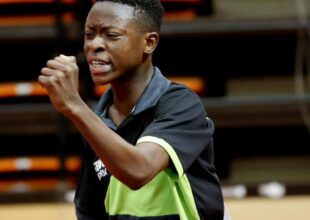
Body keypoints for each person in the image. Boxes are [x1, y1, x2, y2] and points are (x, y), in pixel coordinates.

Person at [38, 0, 227, 219]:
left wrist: (75, 106)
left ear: (149, 42)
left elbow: (139, 171)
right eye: (89, 35)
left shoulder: (181, 105)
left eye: (111, 35)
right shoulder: (98, 118)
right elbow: (91, 210)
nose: (94, 45)